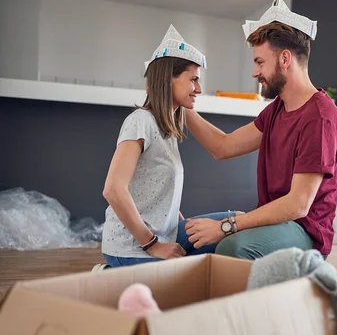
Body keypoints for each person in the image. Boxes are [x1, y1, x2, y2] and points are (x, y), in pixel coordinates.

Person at [183, 1, 337, 260]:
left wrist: (227, 227)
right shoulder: (277, 109)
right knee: (185, 234)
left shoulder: (321, 117)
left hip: (305, 231)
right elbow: (223, 147)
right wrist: (183, 106)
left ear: (284, 58)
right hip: (275, 222)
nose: (254, 72)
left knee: (231, 247)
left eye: (259, 62)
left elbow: (298, 205)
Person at [99, 25, 236, 268]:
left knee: (235, 225)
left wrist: (181, 223)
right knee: (232, 227)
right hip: (134, 247)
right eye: (193, 79)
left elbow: (158, 192)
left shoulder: (166, 128)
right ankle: (114, 272)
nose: (199, 89)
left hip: (164, 234)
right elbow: (113, 190)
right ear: (167, 80)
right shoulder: (140, 122)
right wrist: (153, 245)